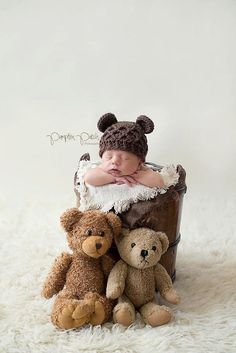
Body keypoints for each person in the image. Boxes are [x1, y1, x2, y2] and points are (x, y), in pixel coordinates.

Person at [83, 113, 165, 188]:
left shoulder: (140, 170)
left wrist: (139, 177)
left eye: (124, 158)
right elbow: (88, 178)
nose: (114, 161)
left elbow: (159, 182)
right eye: (109, 157)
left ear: (139, 162)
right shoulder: (103, 170)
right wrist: (113, 178)